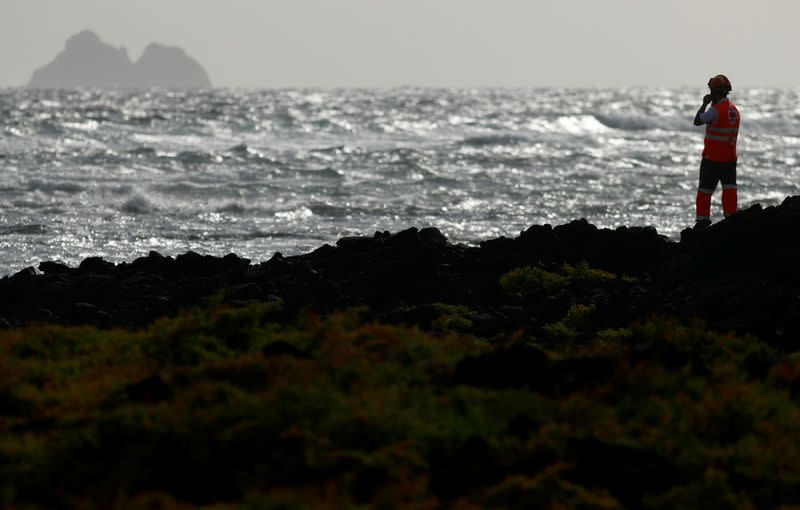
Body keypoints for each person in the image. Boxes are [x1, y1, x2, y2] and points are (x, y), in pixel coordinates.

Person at [692, 74, 740, 228]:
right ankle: (732, 219)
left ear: (717, 92)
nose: (710, 93)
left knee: (704, 192)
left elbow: (697, 121)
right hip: (729, 159)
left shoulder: (716, 110)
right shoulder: (734, 110)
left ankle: (702, 221)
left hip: (712, 159)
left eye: (711, 90)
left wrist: (704, 103)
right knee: (730, 189)